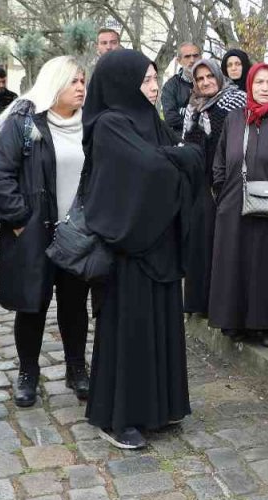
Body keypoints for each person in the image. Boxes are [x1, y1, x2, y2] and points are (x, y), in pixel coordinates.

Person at [82, 49, 203, 449]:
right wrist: (178, 158)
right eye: (146, 80)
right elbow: (150, 170)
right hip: (130, 247)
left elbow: (188, 159)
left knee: (161, 326)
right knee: (129, 331)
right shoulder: (109, 124)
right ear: (122, 84)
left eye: (155, 79)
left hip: (160, 244)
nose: (153, 88)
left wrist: (177, 158)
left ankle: (158, 407)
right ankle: (120, 416)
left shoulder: (150, 121)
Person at [0, 56, 101, 408]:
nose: (81, 88)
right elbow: (0, 174)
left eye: (83, 81)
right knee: (31, 306)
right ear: (55, 84)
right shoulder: (25, 122)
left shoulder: (94, 125)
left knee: (74, 306)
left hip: (77, 233)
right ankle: (28, 373)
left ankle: (75, 368)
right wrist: (21, 220)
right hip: (35, 232)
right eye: (74, 82)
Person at [209, 64, 268, 346]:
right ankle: (235, 321)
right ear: (250, 85)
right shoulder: (236, 118)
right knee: (235, 260)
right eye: (259, 82)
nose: (264, 88)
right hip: (234, 203)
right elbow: (220, 159)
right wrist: (221, 189)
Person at [180, 58, 247, 315]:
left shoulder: (234, 101)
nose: (206, 82)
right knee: (200, 242)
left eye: (210, 76)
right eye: (200, 78)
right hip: (199, 184)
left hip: (226, 183)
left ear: (219, 76)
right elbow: (190, 143)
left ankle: (219, 305)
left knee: (222, 245)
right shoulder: (193, 107)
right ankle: (199, 303)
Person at [162, 42, 202, 134]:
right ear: (179, 60)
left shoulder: (211, 82)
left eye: (195, 56)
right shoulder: (170, 86)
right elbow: (170, 118)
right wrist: (198, 123)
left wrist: (181, 111)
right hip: (181, 139)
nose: (192, 60)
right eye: (187, 56)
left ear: (201, 58)